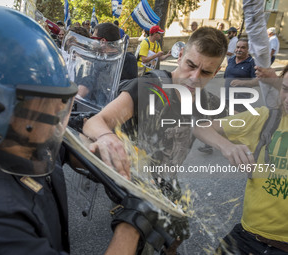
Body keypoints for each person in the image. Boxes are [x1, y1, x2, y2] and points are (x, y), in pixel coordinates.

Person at [0, 3, 172, 254]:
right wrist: (132, 225)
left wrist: (110, 157)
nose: (57, 120)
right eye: (43, 106)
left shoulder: (20, 132)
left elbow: (62, 150)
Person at [83, 27, 228, 254]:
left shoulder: (206, 101)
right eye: (191, 65)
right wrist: (107, 137)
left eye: (206, 72)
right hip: (134, 181)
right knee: (139, 240)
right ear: (180, 55)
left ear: (217, 71)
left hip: (167, 181)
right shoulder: (149, 88)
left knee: (178, 233)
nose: (195, 77)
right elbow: (95, 122)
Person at [193, 65, 288, 254]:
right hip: (247, 235)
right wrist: (226, 145)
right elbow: (200, 127)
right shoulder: (265, 117)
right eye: (285, 89)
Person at [224, 38, 259, 112]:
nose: (239, 49)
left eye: (243, 47)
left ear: (248, 49)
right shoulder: (231, 60)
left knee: (237, 121)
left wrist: (242, 82)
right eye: (237, 47)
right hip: (227, 98)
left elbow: (258, 81)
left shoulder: (252, 63)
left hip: (241, 101)